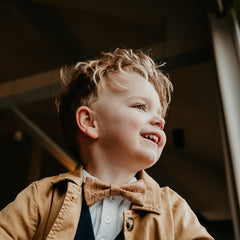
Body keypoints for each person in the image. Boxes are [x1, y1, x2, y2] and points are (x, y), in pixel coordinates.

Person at [0, 48, 214, 240]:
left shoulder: (174, 210)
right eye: (140, 106)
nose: (160, 121)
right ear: (89, 122)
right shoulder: (40, 198)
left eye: (160, 114)